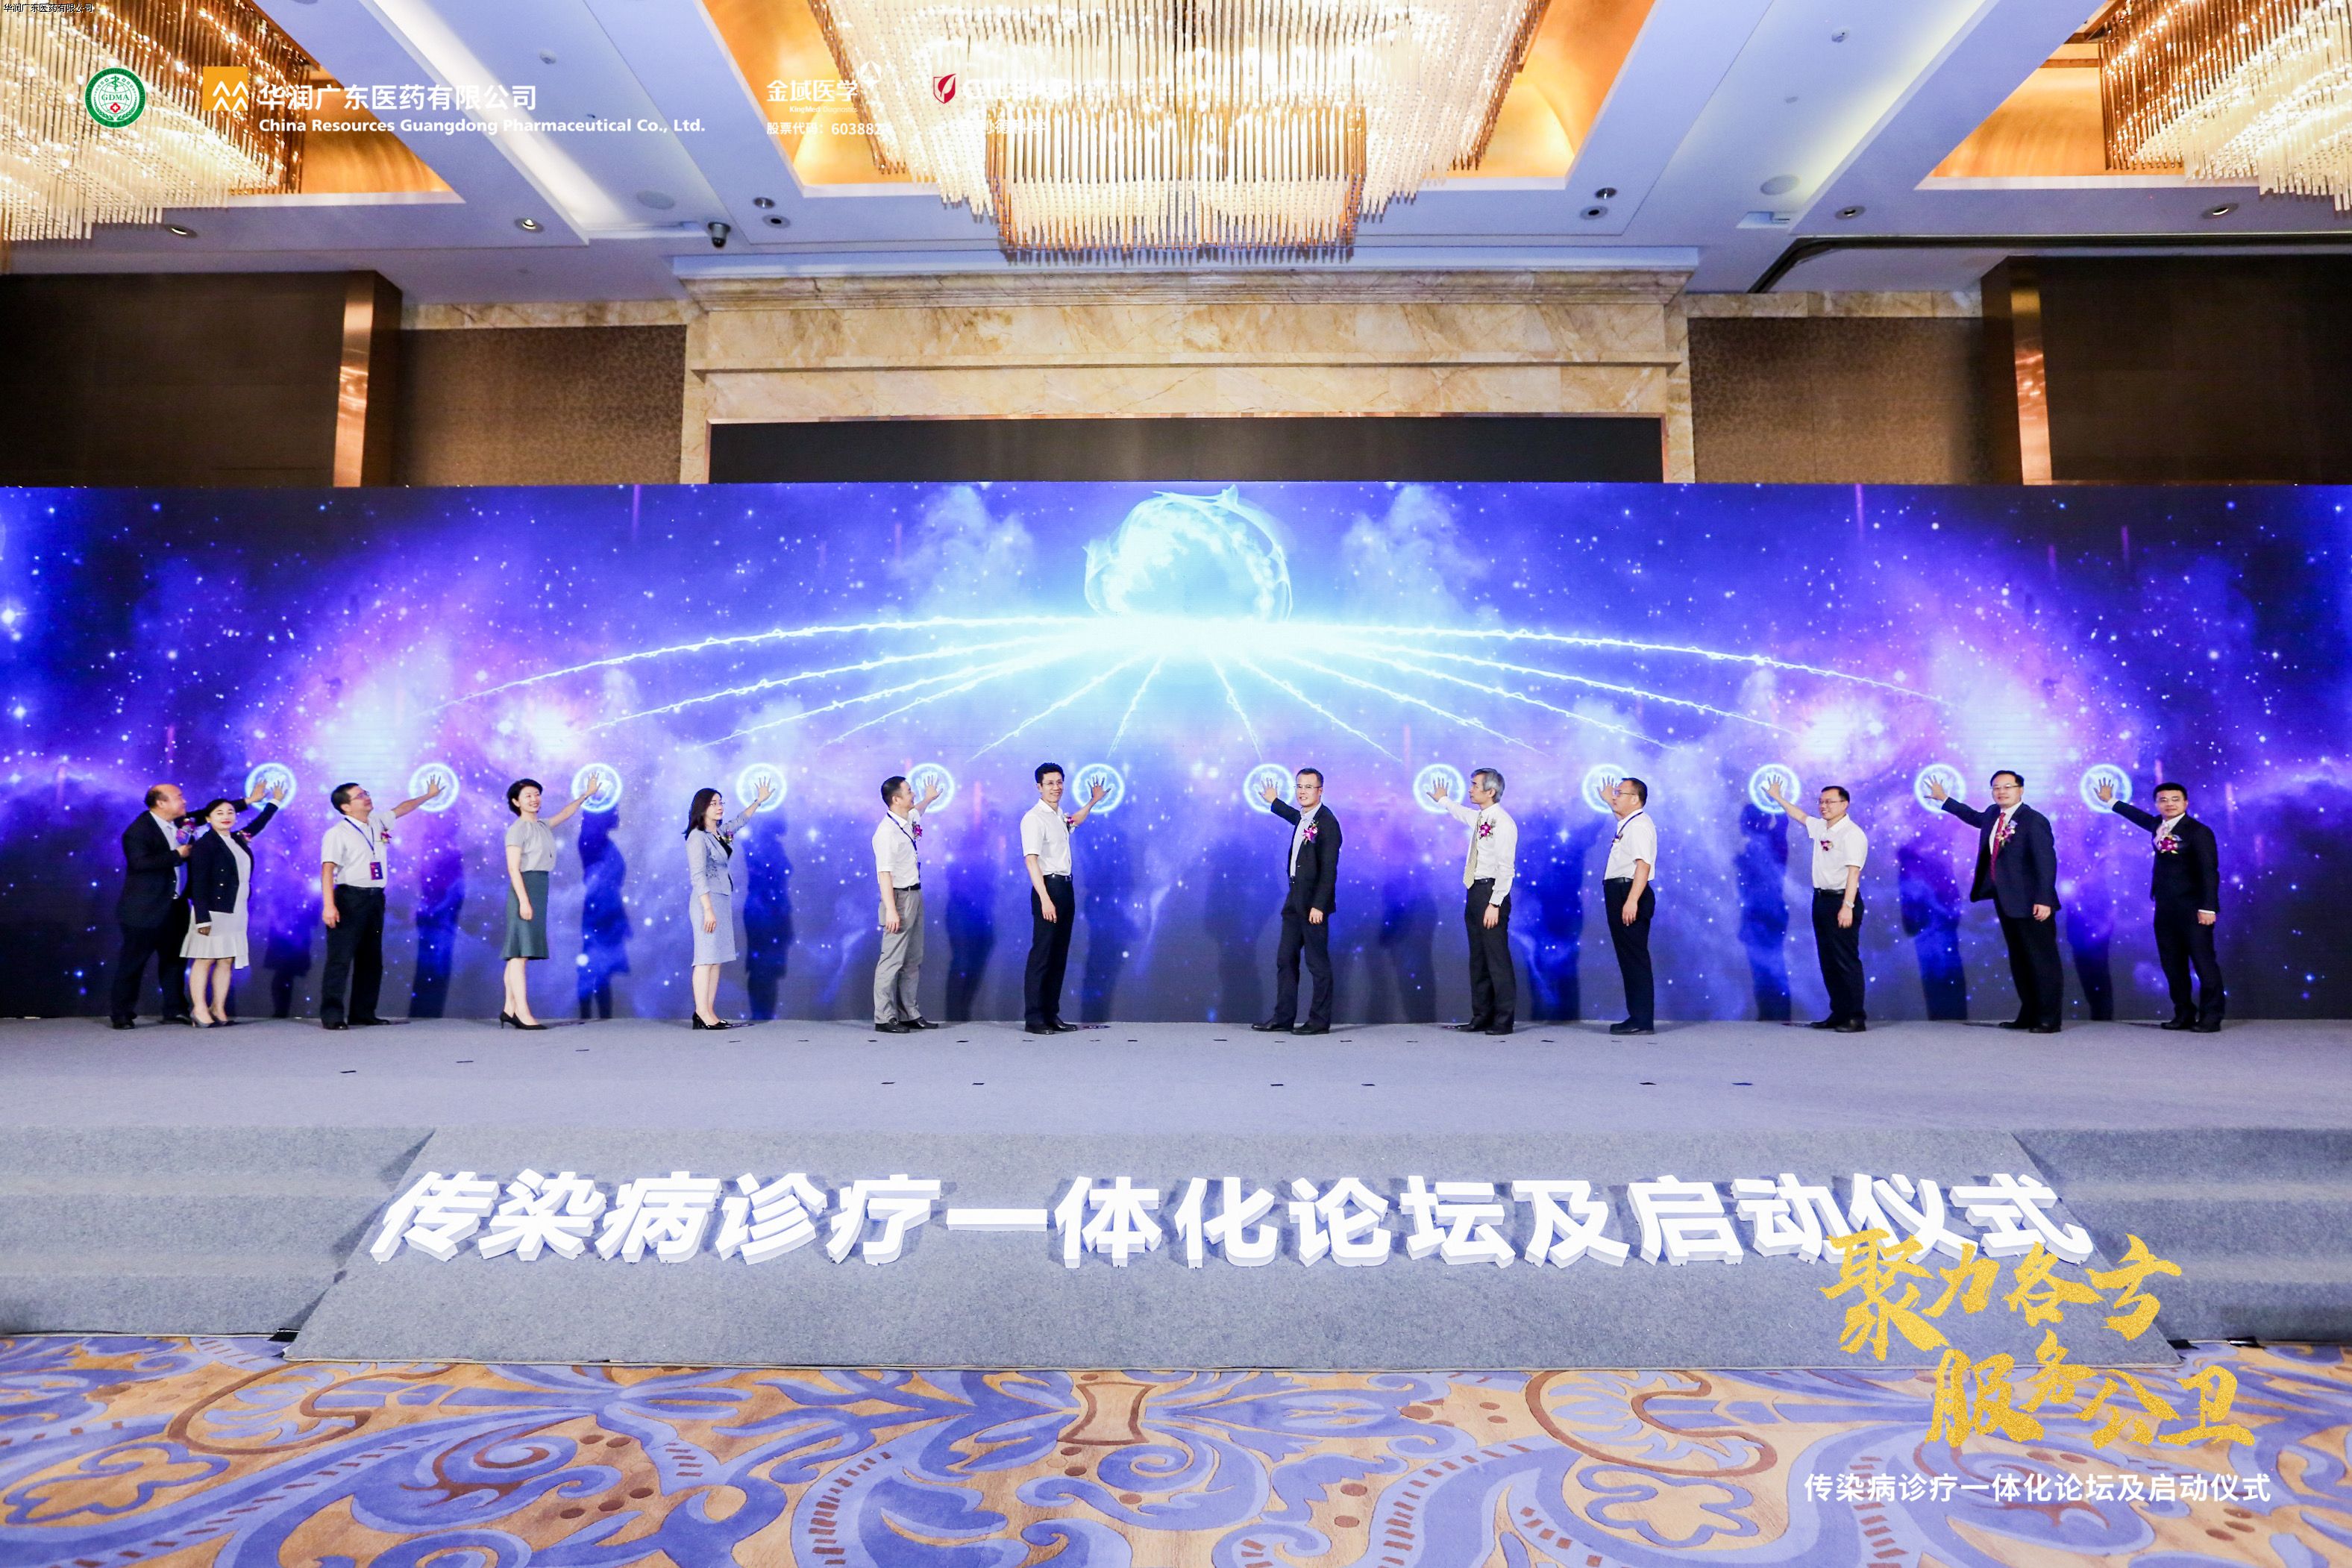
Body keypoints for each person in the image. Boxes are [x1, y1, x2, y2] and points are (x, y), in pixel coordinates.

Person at [1928, 770, 2061, 1032]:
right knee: (2020, 960)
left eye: (2007, 787)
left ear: (2021, 790)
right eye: (1996, 787)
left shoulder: (2034, 820)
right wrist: (1945, 799)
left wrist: (2044, 899)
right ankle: (2029, 1014)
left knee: (2042, 961)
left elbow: (2047, 863)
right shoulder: (1992, 814)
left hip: (2033, 903)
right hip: (2007, 900)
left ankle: (2049, 1018)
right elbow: (1972, 816)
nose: (2001, 792)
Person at [318, 777, 442, 1030]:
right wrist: (329, 906)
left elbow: (403, 808)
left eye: (366, 792)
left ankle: (363, 1013)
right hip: (349, 899)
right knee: (340, 959)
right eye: (360, 796)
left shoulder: (377, 822)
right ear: (345, 807)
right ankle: (332, 1016)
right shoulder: (337, 833)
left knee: (371, 958)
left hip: (375, 898)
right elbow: (327, 869)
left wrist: (428, 796)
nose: (367, 797)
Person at [2099, 779, 2223, 1031]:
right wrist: (2111, 801)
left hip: (2193, 909)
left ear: (2186, 803)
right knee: (2172, 964)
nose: (2169, 804)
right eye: (2163, 800)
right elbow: (2140, 817)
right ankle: (2184, 1013)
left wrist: (2208, 907)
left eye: (2175, 799)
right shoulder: (2159, 824)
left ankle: (2211, 1016)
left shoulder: (2198, 832)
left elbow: (2209, 872)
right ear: (2157, 804)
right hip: (2165, 908)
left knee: (2203, 963)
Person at [1767, 778, 1869, 1032]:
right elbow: (1800, 816)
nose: (1824, 806)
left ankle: (1856, 1017)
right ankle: (1839, 1013)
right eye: (1821, 802)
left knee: (1845, 960)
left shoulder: (1852, 834)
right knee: (1828, 960)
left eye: (1830, 802)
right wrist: (1778, 797)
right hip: (1821, 900)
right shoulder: (1822, 827)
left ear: (1844, 804)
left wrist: (1847, 906)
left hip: (1842, 901)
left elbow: (1854, 873)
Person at [181, 785, 285, 1025]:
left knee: (226, 959)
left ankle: (218, 1007)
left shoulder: (238, 839)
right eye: (219, 813)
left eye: (230, 812)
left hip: (236, 909)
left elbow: (259, 824)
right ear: (208, 819)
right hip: (212, 911)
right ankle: (199, 1009)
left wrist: (274, 802)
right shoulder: (205, 844)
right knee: (205, 959)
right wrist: (202, 918)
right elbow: (198, 883)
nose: (226, 816)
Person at [1254, 767, 1343, 1035]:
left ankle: (1319, 1021)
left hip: (1313, 905)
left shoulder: (1328, 823)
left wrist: (1319, 905)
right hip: (1294, 900)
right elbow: (1294, 816)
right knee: (1286, 959)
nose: (1303, 792)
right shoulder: (1305, 818)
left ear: (1320, 791)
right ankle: (1283, 1017)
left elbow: (1329, 870)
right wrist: (1274, 801)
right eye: (1299, 787)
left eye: (1308, 787)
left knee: (1317, 963)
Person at [1020, 761, 1106, 1035]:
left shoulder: (1058, 815)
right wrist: (1045, 898)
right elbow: (1031, 861)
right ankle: (1034, 1018)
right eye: (1050, 783)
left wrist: (1093, 801)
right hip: (1048, 888)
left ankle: (1051, 1014)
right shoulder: (1034, 818)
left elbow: (1074, 821)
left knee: (1059, 955)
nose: (1056, 788)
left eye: (1059, 782)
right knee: (1043, 955)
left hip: (1066, 888)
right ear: (1039, 787)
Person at [1429, 768, 1517, 1035]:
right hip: (1475, 891)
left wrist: (1495, 903)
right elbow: (1462, 813)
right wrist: (1443, 800)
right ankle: (1481, 1016)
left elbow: (1506, 868)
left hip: (1491, 893)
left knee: (1497, 959)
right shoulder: (1481, 818)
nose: (1470, 789)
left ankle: (1503, 1020)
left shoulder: (1503, 822)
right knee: (1478, 958)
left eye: (1476, 785)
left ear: (1491, 791)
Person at [501, 777, 594, 1029]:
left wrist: (586, 795)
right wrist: (524, 901)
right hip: (525, 888)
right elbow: (513, 868)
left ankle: (509, 1009)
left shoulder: (542, 825)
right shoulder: (517, 829)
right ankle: (522, 1013)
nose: (534, 799)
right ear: (516, 802)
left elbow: (565, 813)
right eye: (528, 796)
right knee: (519, 954)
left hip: (539, 887)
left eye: (537, 794)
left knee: (518, 953)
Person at [685, 780, 777, 1031]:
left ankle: (708, 1011)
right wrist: (708, 909)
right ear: (702, 808)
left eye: (721, 802)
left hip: (722, 899)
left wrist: (758, 801)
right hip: (706, 901)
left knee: (716, 959)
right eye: (713, 803)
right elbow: (698, 876)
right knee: (705, 958)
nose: (719, 807)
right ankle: (701, 1013)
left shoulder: (721, 833)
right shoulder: (697, 837)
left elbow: (740, 821)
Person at [111, 783, 198, 1028]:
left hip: (175, 907)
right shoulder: (139, 830)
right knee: (133, 963)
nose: (184, 801)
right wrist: (177, 855)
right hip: (145, 909)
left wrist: (248, 801)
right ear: (161, 803)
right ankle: (122, 1013)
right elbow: (139, 863)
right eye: (178, 797)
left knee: (174, 962)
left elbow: (207, 813)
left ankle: (175, 1009)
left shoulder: (179, 823)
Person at [871, 771, 944, 1033]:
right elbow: (884, 874)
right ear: (896, 799)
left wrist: (928, 799)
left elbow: (918, 812)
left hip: (915, 894)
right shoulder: (885, 832)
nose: (913, 795)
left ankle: (909, 1012)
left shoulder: (907, 818)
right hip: (899, 898)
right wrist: (891, 909)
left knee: (913, 959)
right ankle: (884, 1017)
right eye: (909, 791)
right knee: (891, 960)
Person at [1603, 777, 1658, 1035]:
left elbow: (1643, 866)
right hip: (1621, 892)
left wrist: (1632, 900)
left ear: (1635, 799)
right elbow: (1620, 818)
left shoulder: (1639, 826)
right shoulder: (1630, 823)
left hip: (1629, 892)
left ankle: (1642, 1019)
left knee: (1635, 959)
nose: (1615, 796)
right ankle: (1637, 1016)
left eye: (1620, 793)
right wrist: (1610, 802)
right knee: (1629, 958)